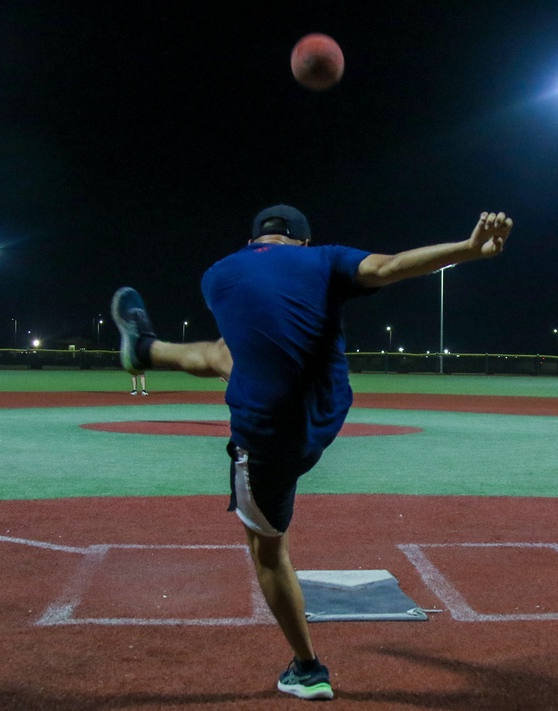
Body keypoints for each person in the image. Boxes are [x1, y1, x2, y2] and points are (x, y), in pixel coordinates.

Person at [111, 204, 513, 700]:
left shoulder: (217, 275)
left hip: (264, 437)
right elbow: (391, 266)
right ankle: (145, 349)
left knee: (267, 548)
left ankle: (308, 668)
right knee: (226, 355)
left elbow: (253, 323)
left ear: (256, 239)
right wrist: (468, 251)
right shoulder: (323, 259)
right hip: (325, 415)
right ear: (301, 240)